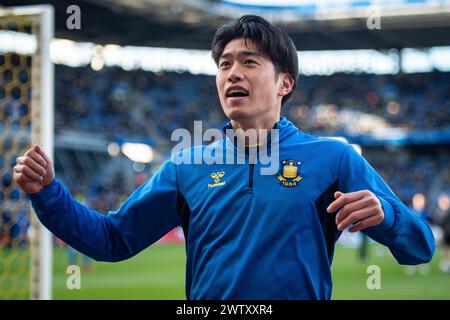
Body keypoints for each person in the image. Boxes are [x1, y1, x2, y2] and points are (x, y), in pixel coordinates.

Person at [13, 15, 434, 300]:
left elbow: (421, 248)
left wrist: (388, 217)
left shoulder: (334, 159)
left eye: (249, 62)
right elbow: (111, 240)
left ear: (284, 82)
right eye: (224, 64)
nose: (232, 73)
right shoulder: (186, 165)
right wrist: (48, 192)